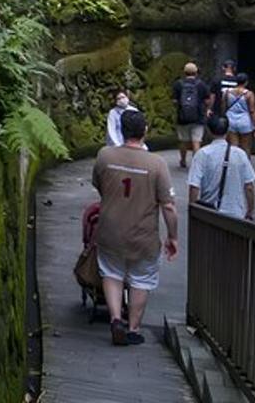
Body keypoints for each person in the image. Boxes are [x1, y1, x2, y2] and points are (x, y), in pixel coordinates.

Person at [92, 109, 179, 346]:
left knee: (111, 272)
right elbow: (168, 206)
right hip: (143, 234)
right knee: (142, 278)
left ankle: (115, 318)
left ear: (121, 130)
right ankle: (133, 328)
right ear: (145, 131)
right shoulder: (157, 163)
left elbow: (99, 186)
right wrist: (173, 236)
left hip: (110, 230)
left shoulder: (105, 156)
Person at [188, 116, 255, 220]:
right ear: (228, 130)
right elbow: (249, 187)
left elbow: (194, 187)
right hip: (236, 214)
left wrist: (193, 211)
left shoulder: (202, 154)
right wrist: (250, 211)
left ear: (208, 130)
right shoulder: (240, 154)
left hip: (209, 213)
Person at [172, 62, 212, 169]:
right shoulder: (201, 84)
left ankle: (183, 160)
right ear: (196, 72)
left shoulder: (178, 84)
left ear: (184, 72)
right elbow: (208, 100)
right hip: (198, 117)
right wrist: (205, 108)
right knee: (196, 141)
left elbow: (175, 101)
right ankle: (196, 163)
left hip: (182, 117)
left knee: (183, 140)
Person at [223, 73, 255, 155]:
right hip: (245, 120)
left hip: (231, 120)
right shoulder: (249, 94)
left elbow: (224, 107)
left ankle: (233, 164)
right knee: (246, 147)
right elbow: (252, 110)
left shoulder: (227, 92)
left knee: (233, 146)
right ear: (246, 82)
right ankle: (245, 164)